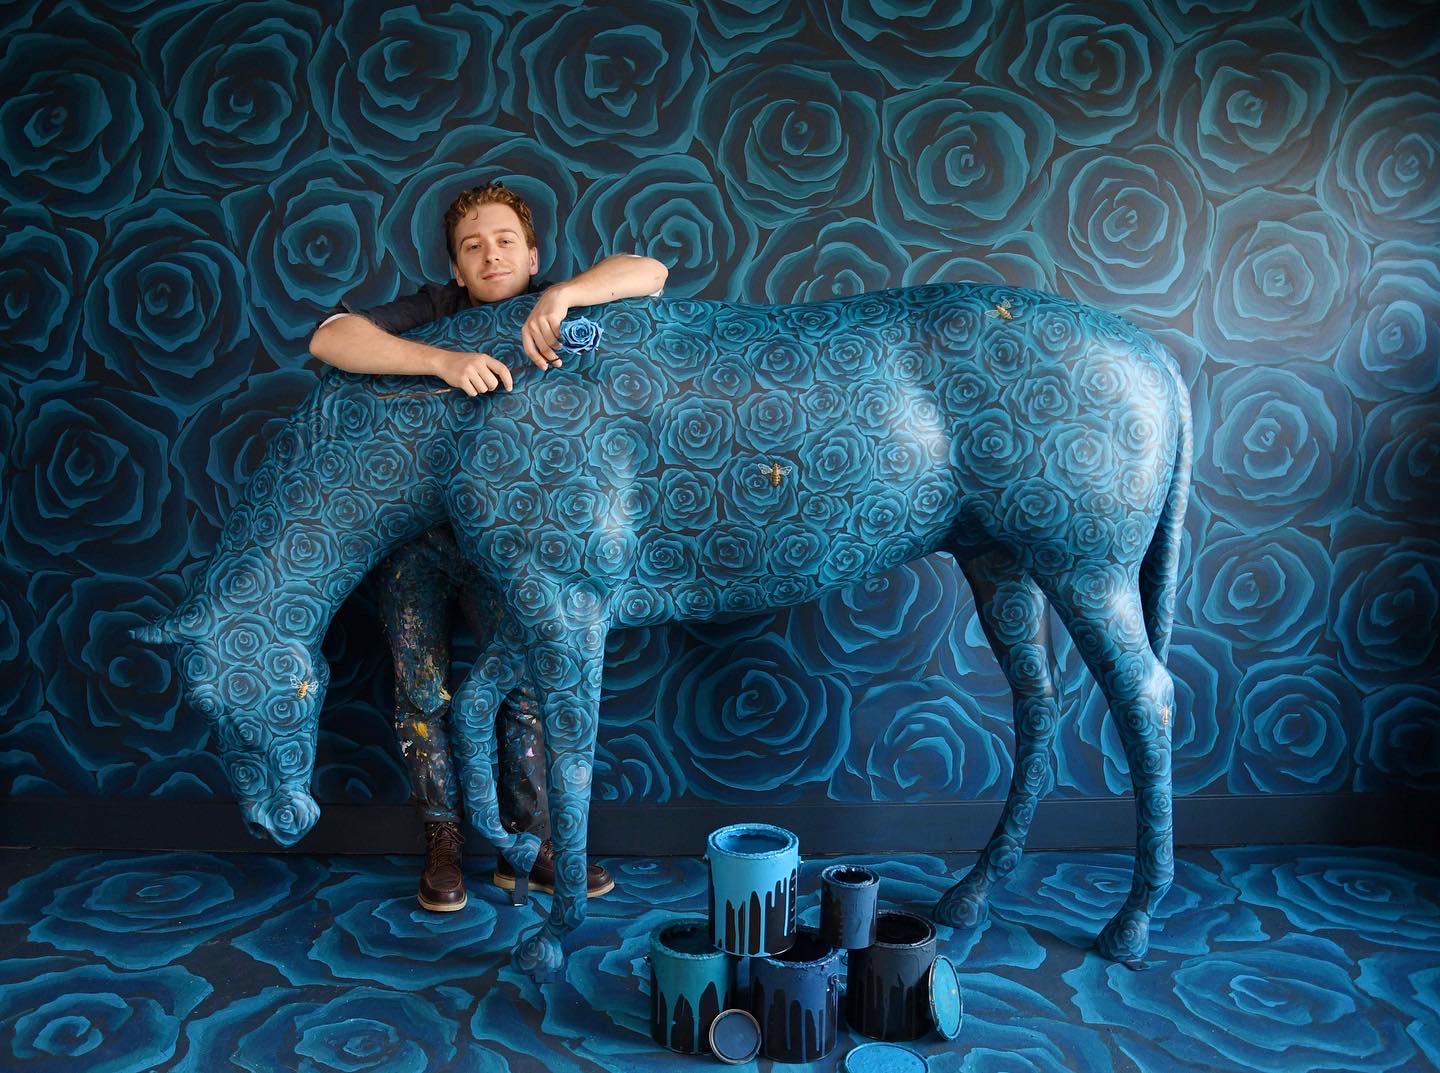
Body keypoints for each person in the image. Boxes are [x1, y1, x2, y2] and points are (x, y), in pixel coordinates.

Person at [310, 182, 668, 910]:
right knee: (420, 691)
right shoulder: (437, 312)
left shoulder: (556, 305)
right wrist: (440, 361)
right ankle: (443, 843)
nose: (490, 253)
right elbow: (329, 336)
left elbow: (652, 272)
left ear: (531, 253)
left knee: (528, 690)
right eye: (472, 246)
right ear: (456, 268)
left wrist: (561, 295)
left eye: (504, 240)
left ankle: (529, 846)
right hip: (417, 537)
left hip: (509, 546)